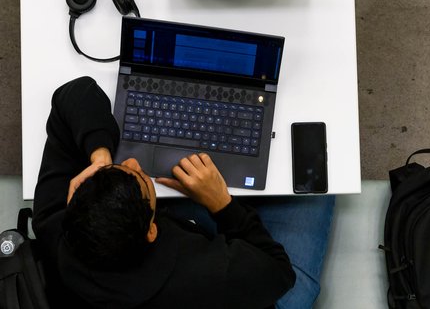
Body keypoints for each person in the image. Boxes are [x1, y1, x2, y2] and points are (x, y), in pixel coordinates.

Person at [33, 77, 334, 309]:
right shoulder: (204, 277)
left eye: (116, 168)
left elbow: (74, 94)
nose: (134, 162)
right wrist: (222, 205)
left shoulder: (56, 226)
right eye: (139, 176)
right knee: (320, 178)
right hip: (258, 285)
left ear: (75, 196)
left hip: (194, 256)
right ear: (151, 231)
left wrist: (99, 156)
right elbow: (278, 274)